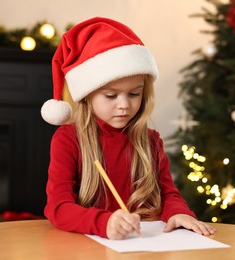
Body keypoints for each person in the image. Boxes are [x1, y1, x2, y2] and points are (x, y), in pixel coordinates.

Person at [40, 17, 215, 240]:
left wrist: (179, 212)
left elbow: (168, 194)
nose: (124, 105)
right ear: (87, 95)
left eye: (134, 93)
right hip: (85, 247)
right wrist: (104, 223)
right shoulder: (68, 139)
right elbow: (58, 207)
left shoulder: (150, 140)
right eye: (111, 95)